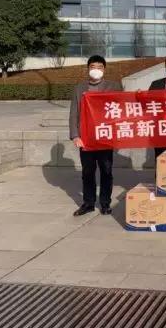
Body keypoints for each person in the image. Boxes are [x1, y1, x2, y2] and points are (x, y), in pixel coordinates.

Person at [69, 55, 123, 216]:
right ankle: (88, 203)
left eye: (99, 67)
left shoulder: (114, 86)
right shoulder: (79, 88)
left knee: (106, 171)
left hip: (105, 136)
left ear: (104, 69)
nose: (96, 70)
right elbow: (74, 113)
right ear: (88, 69)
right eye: (93, 67)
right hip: (86, 138)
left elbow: (123, 107)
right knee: (87, 172)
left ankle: (105, 203)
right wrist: (75, 135)